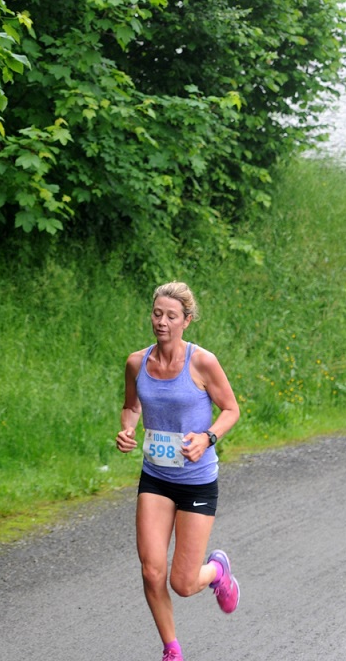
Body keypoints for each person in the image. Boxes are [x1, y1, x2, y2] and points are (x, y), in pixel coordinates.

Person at [115, 281, 241, 661]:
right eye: (157, 314)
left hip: (196, 481)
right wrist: (126, 429)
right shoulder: (137, 362)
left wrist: (207, 437)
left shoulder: (202, 362)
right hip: (155, 477)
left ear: (187, 320)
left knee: (183, 583)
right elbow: (132, 405)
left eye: (171, 316)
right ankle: (172, 650)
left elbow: (231, 410)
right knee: (152, 571)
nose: (162, 322)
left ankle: (217, 571)